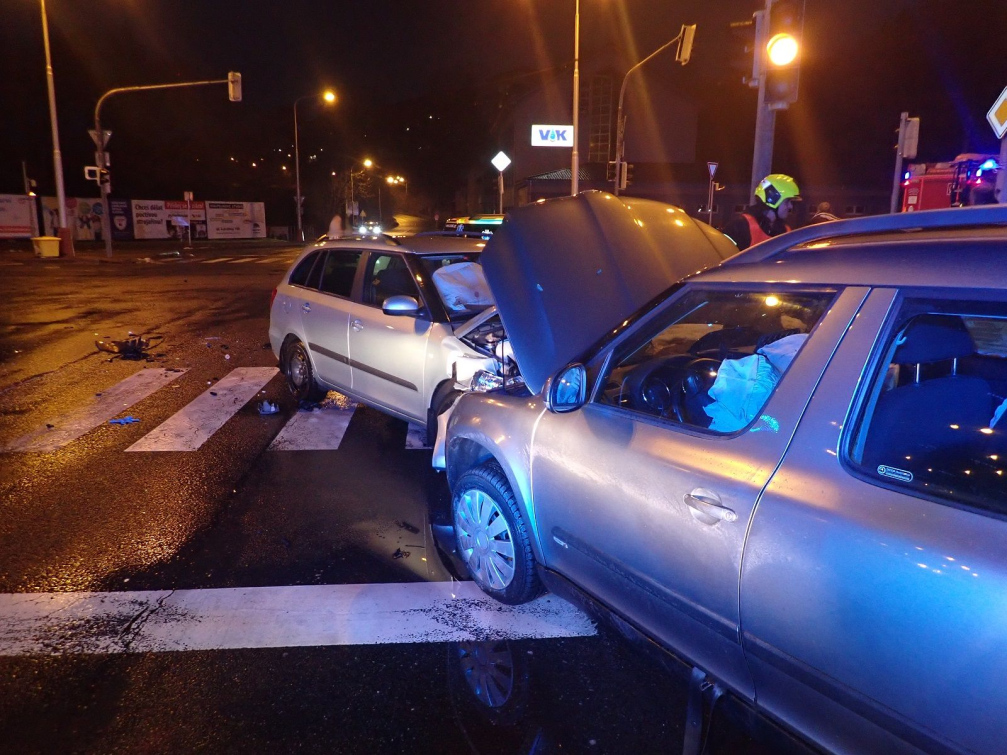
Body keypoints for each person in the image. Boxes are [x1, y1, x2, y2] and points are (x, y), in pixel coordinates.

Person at [723, 174, 801, 251]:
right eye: (787, 202)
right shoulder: (740, 226)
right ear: (773, 199)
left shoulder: (785, 231)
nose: (791, 206)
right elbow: (722, 255)